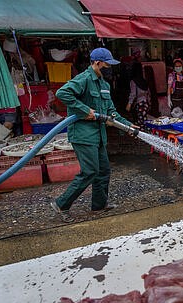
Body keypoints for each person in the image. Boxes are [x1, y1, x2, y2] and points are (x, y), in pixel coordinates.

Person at [50, 47, 139, 223]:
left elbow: (111, 113)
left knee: (103, 170)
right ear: (97, 63)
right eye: (107, 64)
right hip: (83, 135)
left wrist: (128, 126)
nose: (110, 68)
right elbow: (62, 93)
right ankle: (61, 204)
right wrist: (84, 110)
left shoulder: (104, 85)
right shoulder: (83, 79)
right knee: (90, 171)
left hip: (98, 135)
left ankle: (99, 205)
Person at [125, 62, 151, 131]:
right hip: (145, 104)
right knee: (144, 121)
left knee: (139, 123)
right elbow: (148, 93)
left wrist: (129, 104)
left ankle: (141, 137)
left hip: (139, 105)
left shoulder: (133, 82)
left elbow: (133, 94)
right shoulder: (144, 81)